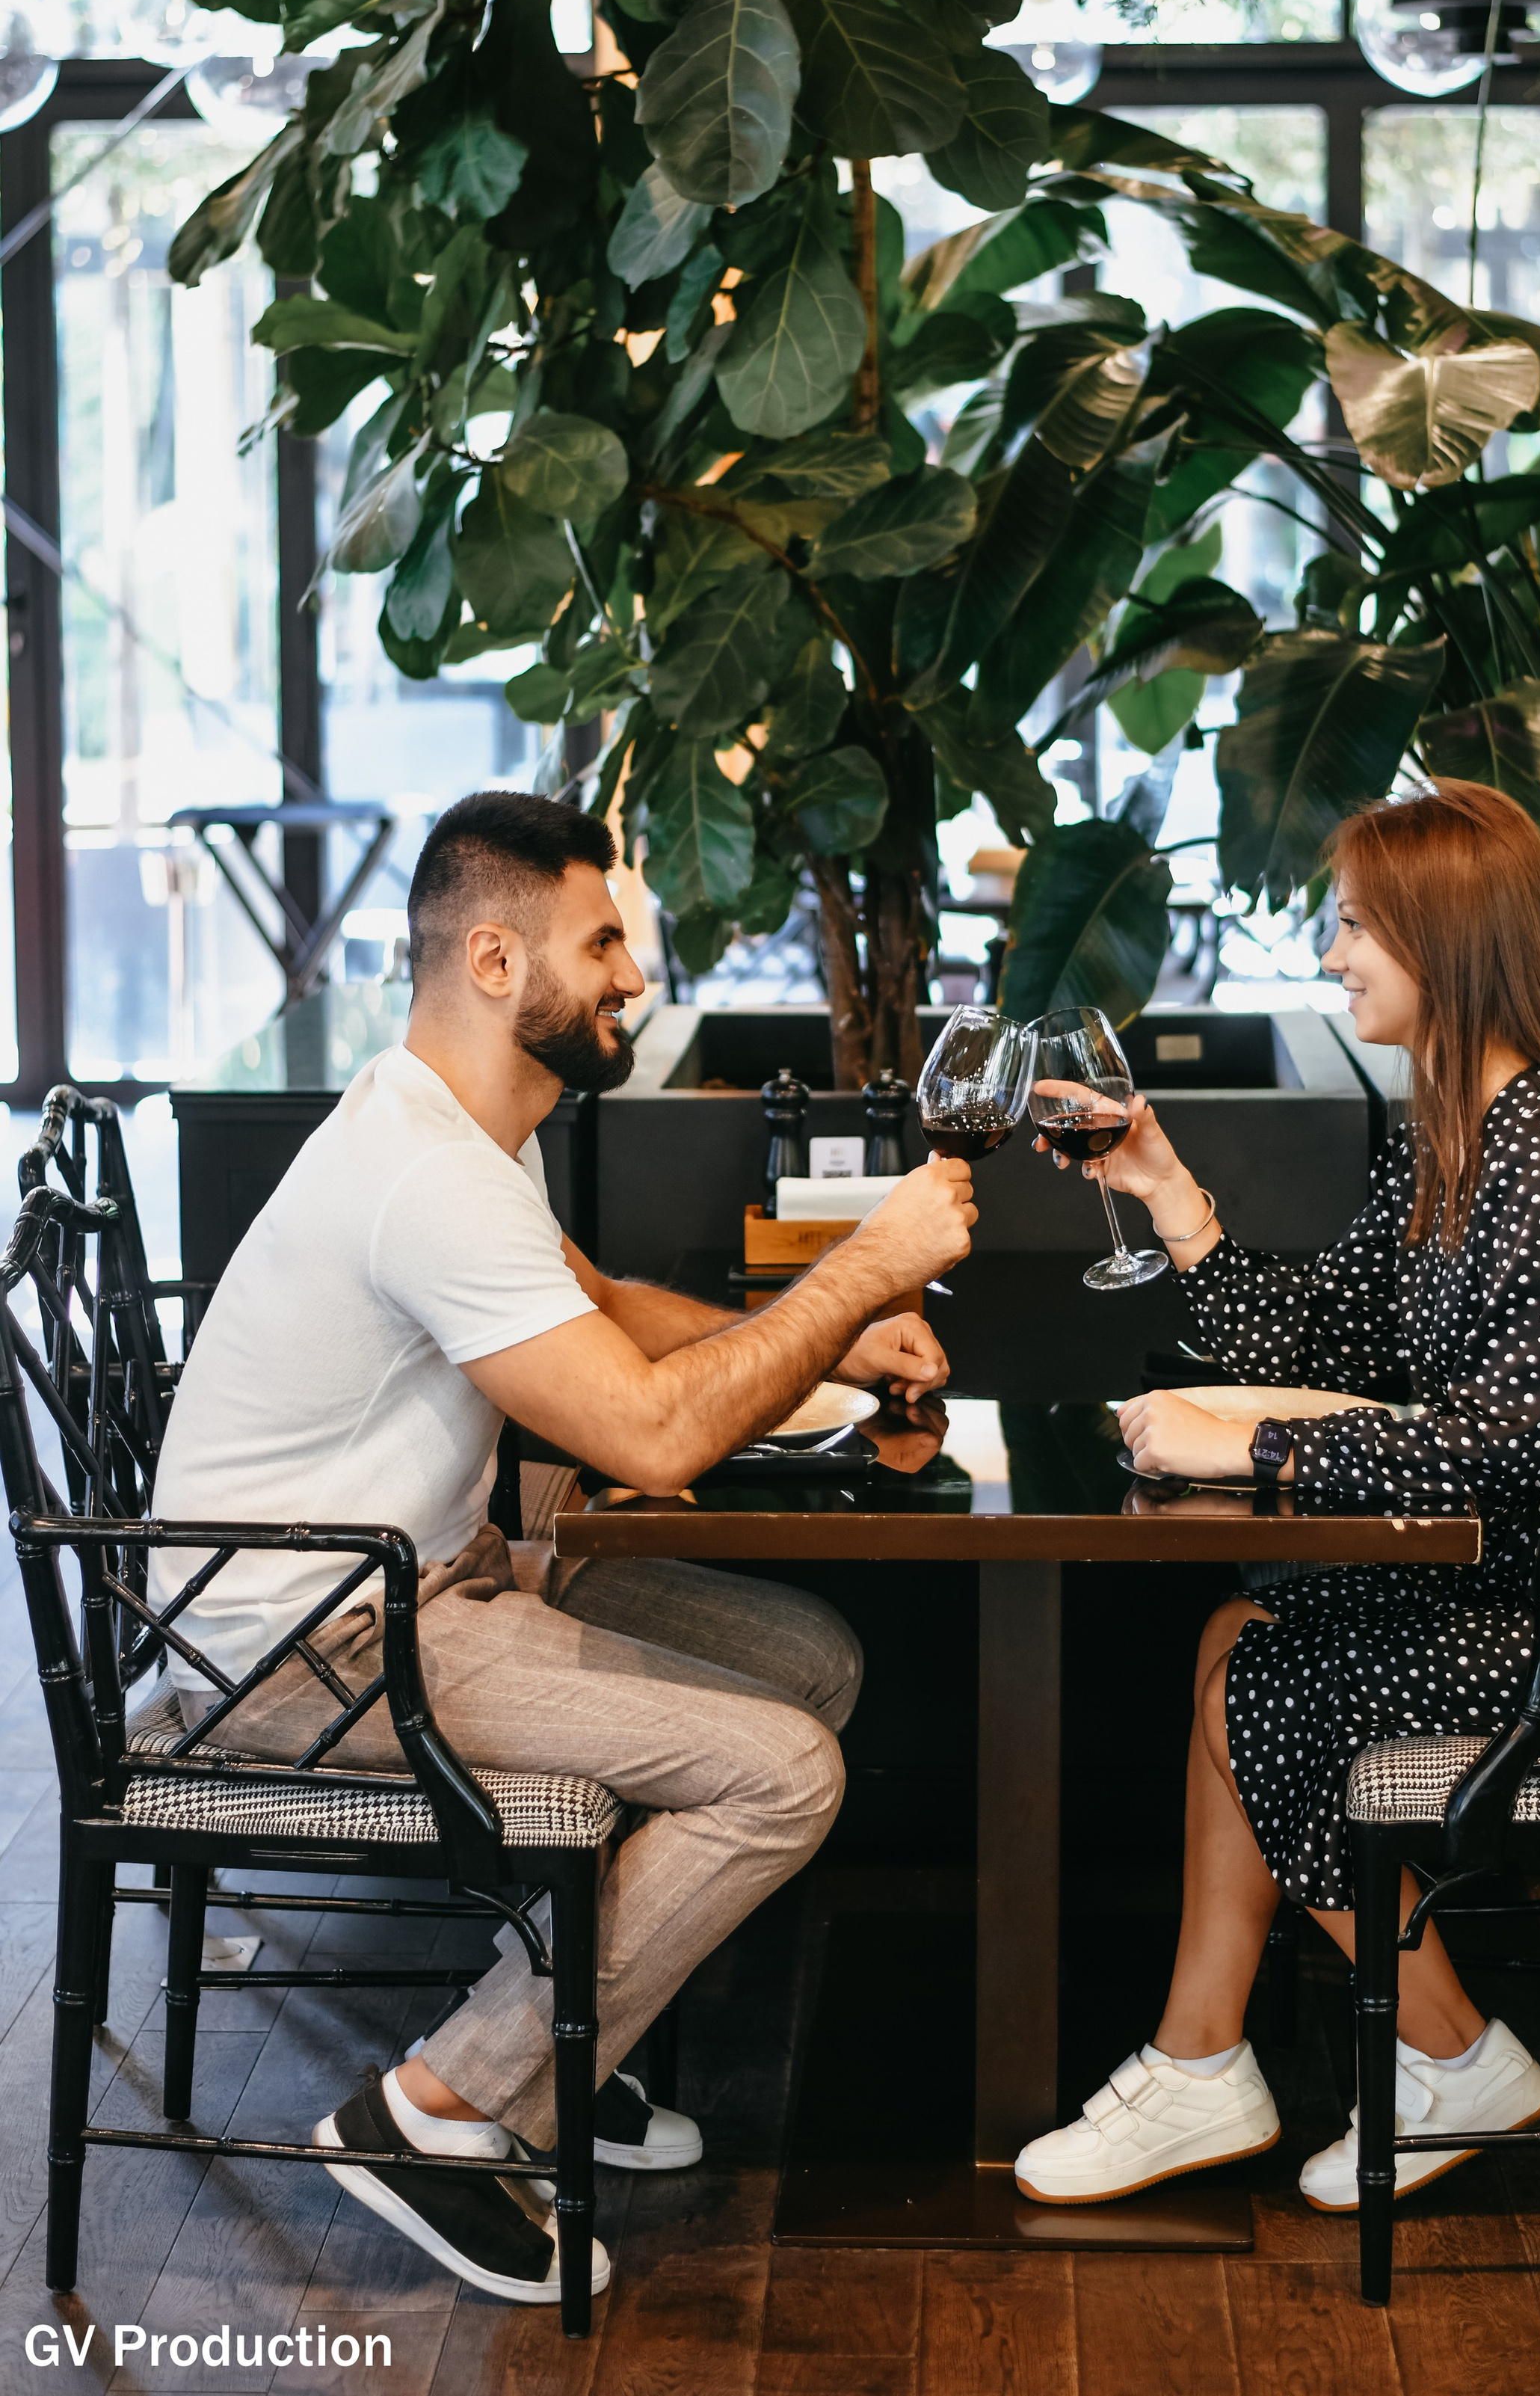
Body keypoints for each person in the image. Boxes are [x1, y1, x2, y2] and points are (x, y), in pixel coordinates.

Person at [149, 789, 975, 2306]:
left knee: (812, 1658)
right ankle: (441, 2107)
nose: (632, 978)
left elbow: (594, 1307)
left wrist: (838, 1348)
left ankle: (557, 2044)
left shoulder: (464, 1127)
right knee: (784, 1770)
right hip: (298, 1649)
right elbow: (649, 1439)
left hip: (418, 1583)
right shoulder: (432, 1175)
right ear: (490, 957)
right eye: (602, 943)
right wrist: (860, 1266)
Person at [1011, 781, 1540, 2212]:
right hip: (1539, 1576)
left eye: (1355, 926)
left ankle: (1447, 2049)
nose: (1331, 955)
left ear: (1448, 940)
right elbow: (1329, 1341)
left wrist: (1244, 1452)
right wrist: (1171, 1189)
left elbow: (1494, 1454)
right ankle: (1202, 2062)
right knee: (1241, 1641)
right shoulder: (1453, 1127)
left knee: (1277, 1675)